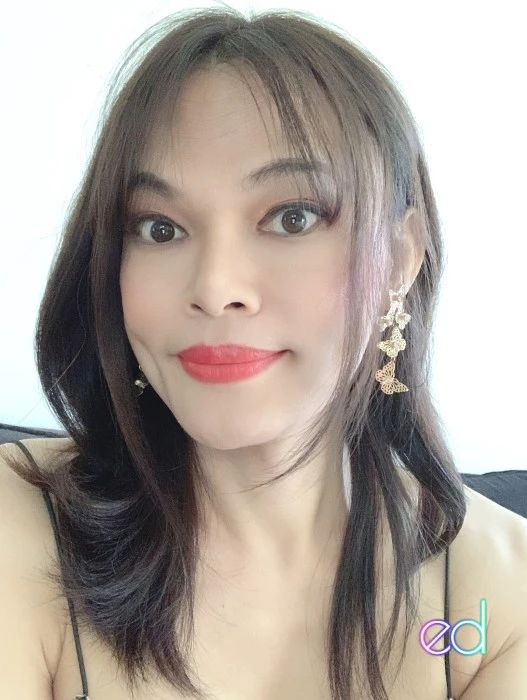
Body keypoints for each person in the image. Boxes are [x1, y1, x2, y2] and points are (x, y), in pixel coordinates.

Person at [1, 6, 526, 700]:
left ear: (399, 258)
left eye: (291, 217)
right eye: (159, 228)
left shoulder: (495, 604)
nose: (215, 289)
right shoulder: (17, 525)